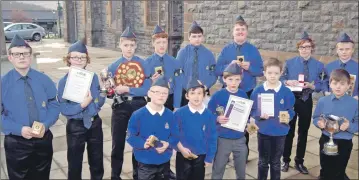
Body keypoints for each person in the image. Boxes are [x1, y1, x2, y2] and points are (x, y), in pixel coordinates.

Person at [1, 34, 60, 179]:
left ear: (31, 56)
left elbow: (54, 103)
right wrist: (19, 129)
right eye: (17, 54)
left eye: (25, 53)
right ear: (10, 57)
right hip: (16, 142)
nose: (21, 57)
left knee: (42, 174)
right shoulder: (3, 84)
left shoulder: (44, 79)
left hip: (43, 139)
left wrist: (45, 125)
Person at [215, 15, 264, 158]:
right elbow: (218, 69)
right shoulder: (226, 50)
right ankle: (226, 153)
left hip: (246, 91)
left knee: (244, 123)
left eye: (243, 29)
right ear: (233, 32)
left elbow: (260, 71)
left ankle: (243, 154)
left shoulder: (253, 50)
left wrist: (250, 67)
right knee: (227, 122)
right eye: (237, 29)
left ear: (246, 32)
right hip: (228, 92)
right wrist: (229, 65)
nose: (240, 32)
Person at [57, 40, 105, 180]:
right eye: (74, 57)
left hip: (94, 123)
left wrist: (102, 91)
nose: (78, 60)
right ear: (68, 59)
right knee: (74, 163)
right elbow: (64, 108)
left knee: (97, 161)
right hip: (76, 126)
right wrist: (82, 105)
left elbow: (99, 102)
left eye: (82, 57)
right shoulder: (63, 82)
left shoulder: (93, 77)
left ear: (87, 59)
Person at [108, 27, 151, 180]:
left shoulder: (143, 63)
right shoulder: (113, 66)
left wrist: (128, 89)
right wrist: (109, 90)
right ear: (120, 45)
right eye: (126, 45)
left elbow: (147, 88)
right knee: (117, 142)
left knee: (138, 141)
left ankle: (137, 174)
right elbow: (109, 93)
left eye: (132, 45)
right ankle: (115, 175)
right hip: (120, 107)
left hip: (139, 105)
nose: (129, 48)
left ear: (136, 46)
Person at [281, 31, 325, 174]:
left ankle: (299, 161)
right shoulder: (290, 63)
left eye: (307, 47)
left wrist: (313, 86)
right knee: (289, 131)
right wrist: (287, 81)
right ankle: (285, 160)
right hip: (291, 100)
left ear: (312, 48)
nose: (304, 50)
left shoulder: (319, 65)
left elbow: (323, 83)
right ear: (298, 48)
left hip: (306, 100)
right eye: (302, 47)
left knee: (304, 132)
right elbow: (280, 79)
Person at [249, 58, 295, 180]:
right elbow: (252, 110)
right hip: (264, 131)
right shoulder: (258, 90)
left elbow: (291, 109)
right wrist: (259, 115)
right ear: (264, 73)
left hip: (280, 132)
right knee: (263, 162)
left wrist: (288, 115)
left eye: (276, 73)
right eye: (269, 73)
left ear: (281, 73)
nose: (273, 76)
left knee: (275, 162)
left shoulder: (286, 92)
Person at [126, 75, 178, 180]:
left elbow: (176, 135)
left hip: (164, 161)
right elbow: (130, 136)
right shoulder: (138, 115)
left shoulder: (170, 115)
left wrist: (168, 143)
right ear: (149, 93)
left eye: (165, 93)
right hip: (145, 162)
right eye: (157, 92)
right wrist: (142, 144)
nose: (161, 96)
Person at [313, 69, 358, 180]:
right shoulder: (323, 101)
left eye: (342, 84)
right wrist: (319, 122)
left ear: (349, 85)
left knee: (339, 169)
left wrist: (349, 126)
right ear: (330, 84)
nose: (338, 87)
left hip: (344, 142)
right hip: (326, 139)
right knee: (325, 167)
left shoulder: (354, 103)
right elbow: (315, 117)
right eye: (335, 83)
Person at [208, 63, 248, 180]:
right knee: (219, 167)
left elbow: (246, 114)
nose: (233, 83)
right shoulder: (218, 95)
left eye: (237, 79)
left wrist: (248, 123)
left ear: (241, 80)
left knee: (241, 168)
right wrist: (217, 118)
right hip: (223, 138)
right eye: (230, 79)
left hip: (240, 138)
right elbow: (208, 115)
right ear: (224, 80)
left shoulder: (243, 95)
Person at [174, 78, 217, 180]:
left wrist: (209, 158)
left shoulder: (209, 115)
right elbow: (172, 134)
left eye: (199, 93)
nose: (196, 96)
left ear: (204, 95)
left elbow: (212, 137)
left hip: (201, 156)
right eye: (192, 93)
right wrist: (180, 149)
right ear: (187, 96)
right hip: (182, 155)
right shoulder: (179, 113)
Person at [176, 21, 217, 106]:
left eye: (199, 36)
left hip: (203, 91)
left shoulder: (208, 54)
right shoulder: (182, 53)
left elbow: (214, 73)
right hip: (186, 91)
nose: (197, 39)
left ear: (202, 37)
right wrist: (187, 86)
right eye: (194, 36)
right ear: (189, 37)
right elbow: (178, 72)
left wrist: (205, 86)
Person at [146, 25, 182, 111]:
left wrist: (176, 106)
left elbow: (178, 85)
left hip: (170, 99)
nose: (162, 45)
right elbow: (143, 85)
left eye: (164, 42)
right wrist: (151, 81)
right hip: (153, 99)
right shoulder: (146, 63)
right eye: (158, 42)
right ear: (153, 43)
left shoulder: (175, 62)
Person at [323, 32, 358, 100]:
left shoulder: (357, 67)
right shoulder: (329, 67)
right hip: (332, 102)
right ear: (337, 50)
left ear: (352, 50)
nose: (344, 52)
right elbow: (324, 81)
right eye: (341, 49)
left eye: (347, 49)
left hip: (352, 103)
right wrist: (326, 91)